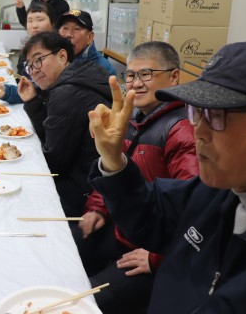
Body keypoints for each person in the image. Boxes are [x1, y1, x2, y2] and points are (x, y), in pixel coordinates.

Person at [87, 41, 246, 313]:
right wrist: (113, 160)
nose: (199, 132)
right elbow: (149, 214)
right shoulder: (215, 191)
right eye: (198, 113)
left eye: (217, 115)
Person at [73, 41, 199, 314]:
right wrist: (97, 208)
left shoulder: (182, 129)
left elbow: (195, 208)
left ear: (174, 76)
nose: (136, 83)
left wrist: (157, 257)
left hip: (155, 250)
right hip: (123, 229)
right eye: (130, 75)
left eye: (146, 74)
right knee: (64, 248)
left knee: (85, 303)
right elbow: (113, 171)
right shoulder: (132, 119)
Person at [17, 32, 111, 216]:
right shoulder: (83, 73)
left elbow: (53, 163)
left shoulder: (67, 91)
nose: (34, 70)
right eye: (29, 66)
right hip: (98, 182)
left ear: (62, 56)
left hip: (85, 191)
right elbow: (54, 132)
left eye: (38, 60)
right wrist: (32, 101)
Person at [0, 3, 56, 105]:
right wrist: (5, 91)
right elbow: (28, 88)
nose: (34, 25)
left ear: (53, 22)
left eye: (40, 20)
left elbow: (40, 93)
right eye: (30, 21)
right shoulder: (28, 48)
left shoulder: (55, 53)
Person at [57, 10, 116, 76]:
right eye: (65, 28)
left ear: (90, 37)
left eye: (76, 29)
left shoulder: (104, 68)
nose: (68, 34)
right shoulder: (52, 59)